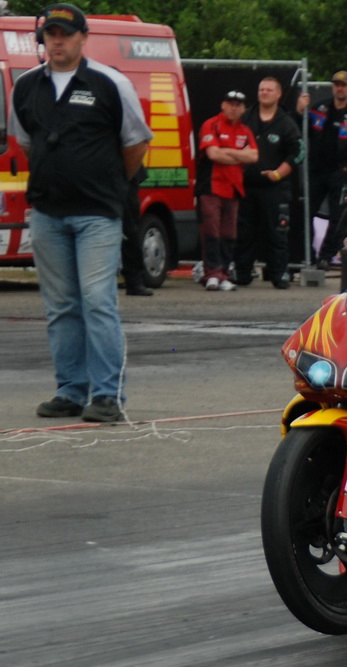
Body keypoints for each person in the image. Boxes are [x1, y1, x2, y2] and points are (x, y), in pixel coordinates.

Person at [10, 2, 152, 422]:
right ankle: (70, 390)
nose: (57, 41)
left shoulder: (111, 83)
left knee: (97, 301)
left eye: (66, 34)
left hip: (97, 212)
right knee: (60, 306)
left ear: (83, 38)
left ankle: (107, 395)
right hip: (47, 212)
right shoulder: (26, 86)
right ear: (43, 40)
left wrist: (109, 184)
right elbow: (27, 142)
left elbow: (136, 142)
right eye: (51, 34)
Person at [295, 70, 347, 269]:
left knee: (338, 217)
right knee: (304, 211)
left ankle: (326, 256)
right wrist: (299, 112)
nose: (340, 88)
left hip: (340, 174)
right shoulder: (319, 108)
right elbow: (300, 130)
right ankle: (309, 255)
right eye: (337, 84)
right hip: (316, 171)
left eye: (343, 85)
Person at [237, 76, 303, 290]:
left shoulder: (286, 122)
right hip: (246, 185)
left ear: (278, 94)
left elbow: (298, 152)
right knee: (244, 232)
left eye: (269, 90)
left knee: (276, 233)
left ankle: (279, 274)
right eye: (261, 89)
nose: (264, 93)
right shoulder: (245, 117)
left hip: (274, 187)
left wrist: (277, 174)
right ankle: (242, 273)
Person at [196, 91, 258, 291]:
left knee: (229, 234)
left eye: (238, 105)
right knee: (211, 232)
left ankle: (223, 274)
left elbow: (254, 156)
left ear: (244, 108)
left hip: (234, 188)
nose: (233, 108)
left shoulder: (245, 130)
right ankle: (212, 274)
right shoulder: (211, 124)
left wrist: (227, 151)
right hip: (211, 187)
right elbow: (213, 154)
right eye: (230, 103)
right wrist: (239, 155)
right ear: (223, 105)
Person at [121, 167, 153, 296]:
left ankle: (134, 281)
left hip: (124, 178)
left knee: (130, 231)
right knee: (129, 231)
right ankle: (134, 281)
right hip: (118, 178)